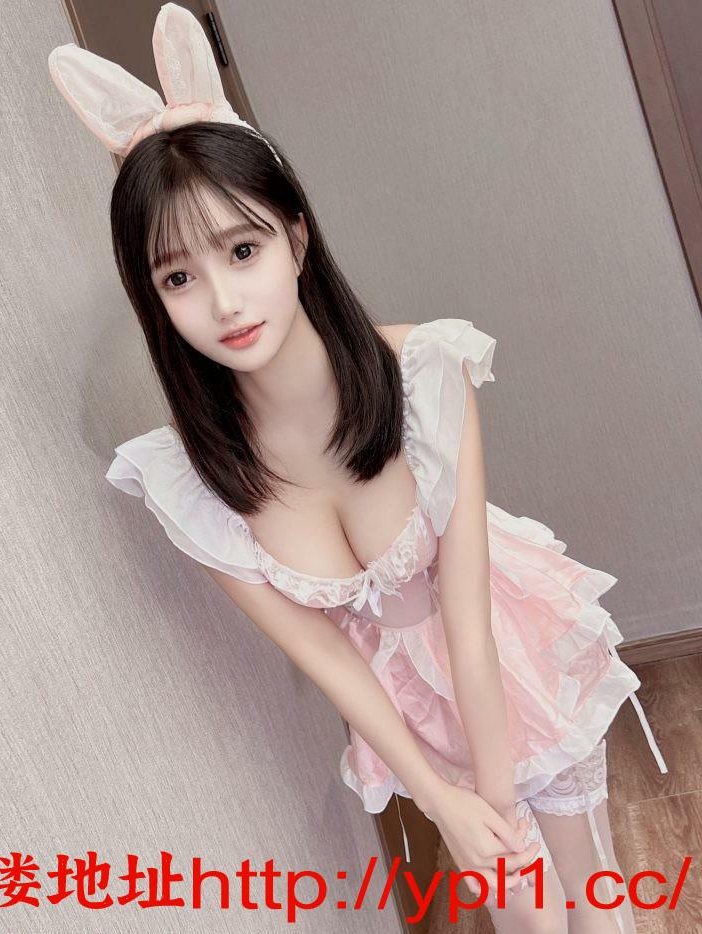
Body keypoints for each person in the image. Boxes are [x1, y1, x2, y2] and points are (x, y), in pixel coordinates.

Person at [49, 5, 667, 930]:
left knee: (581, 905)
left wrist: (495, 811)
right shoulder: (194, 481)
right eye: (178, 278)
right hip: (410, 713)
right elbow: (328, 658)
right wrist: (444, 802)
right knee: (526, 920)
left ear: (296, 238)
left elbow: (469, 622)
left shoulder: (425, 373)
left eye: (243, 250)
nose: (224, 301)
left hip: (509, 663)